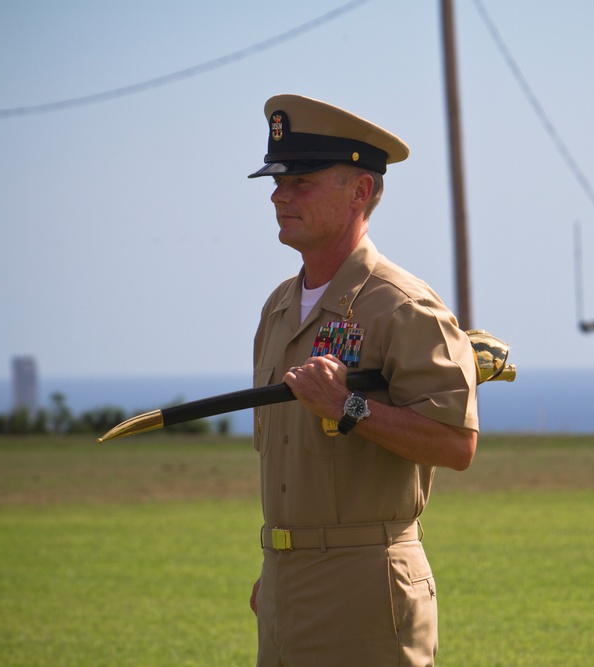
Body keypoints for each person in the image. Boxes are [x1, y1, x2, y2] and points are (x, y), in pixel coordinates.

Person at [244, 94, 479, 666]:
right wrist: (279, 566)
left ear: (361, 191)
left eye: (300, 180)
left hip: (366, 588)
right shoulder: (279, 307)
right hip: (283, 581)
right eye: (277, 180)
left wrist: (348, 406)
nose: (279, 194)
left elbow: (456, 443)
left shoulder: (402, 305)